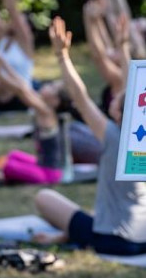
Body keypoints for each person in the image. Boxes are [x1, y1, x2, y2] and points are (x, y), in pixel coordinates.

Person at [33, 16, 146, 255]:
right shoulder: (140, 137)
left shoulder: (114, 135)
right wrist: (123, 47)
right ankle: (67, 234)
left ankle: (71, 234)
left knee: (44, 197)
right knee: (103, 210)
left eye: (116, 99)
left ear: (117, 114)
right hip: (142, 238)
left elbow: (81, 98)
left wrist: (62, 56)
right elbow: (135, 92)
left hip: (114, 241)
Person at [0, 54, 74, 184]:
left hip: (52, 174)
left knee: (9, 166)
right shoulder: (44, 107)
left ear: (55, 101)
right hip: (42, 164)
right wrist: (4, 65)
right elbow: (23, 85)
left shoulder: (46, 112)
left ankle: (8, 175)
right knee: (13, 155)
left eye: (52, 88)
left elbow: (21, 90)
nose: (47, 85)